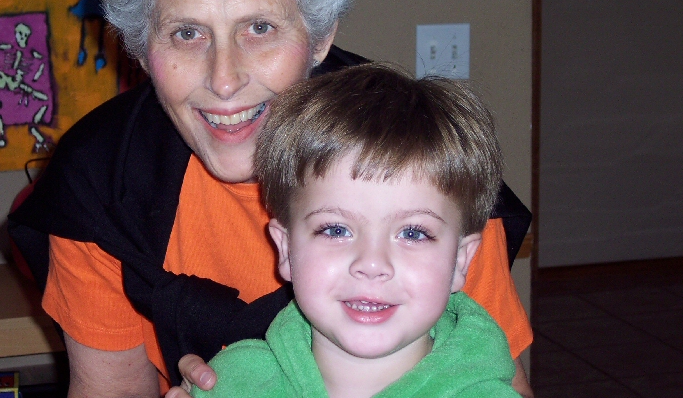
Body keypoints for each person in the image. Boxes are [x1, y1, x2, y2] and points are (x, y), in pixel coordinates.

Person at [7, 0, 534, 397]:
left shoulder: (418, 163)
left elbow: (492, 379)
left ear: (320, 36)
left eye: (260, 28)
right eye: (186, 33)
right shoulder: (100, 183)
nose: (224, 79)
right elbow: (112, 390)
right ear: (143, 50)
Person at [190, 63, 521, 398]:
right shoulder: (229, 384)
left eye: (413, 233)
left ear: (461, 261)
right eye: (336, 230)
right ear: (287, 249)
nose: (372, 264)